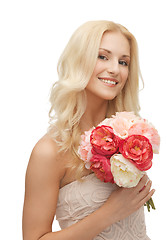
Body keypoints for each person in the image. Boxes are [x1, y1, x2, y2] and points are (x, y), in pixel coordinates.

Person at [22, 20, 155, 240]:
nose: (114, 69)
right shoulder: (49, 151)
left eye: (123, 62)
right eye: (103, 56)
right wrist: (110, 213)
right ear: (78, 61)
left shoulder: (129, 134)